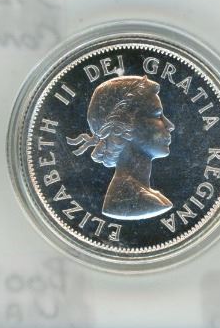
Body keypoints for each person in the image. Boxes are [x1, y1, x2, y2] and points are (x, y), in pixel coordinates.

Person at [69, 76, 174, 220]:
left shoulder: (148, 195)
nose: (170, 125)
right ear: (123, 126)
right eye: (156, 115)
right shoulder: (131, 196)